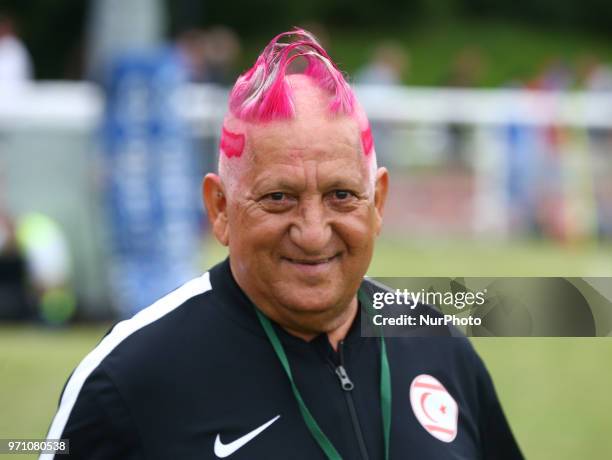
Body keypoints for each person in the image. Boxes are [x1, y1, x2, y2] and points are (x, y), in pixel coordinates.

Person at [42, 29, 523, 459]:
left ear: (377, 202)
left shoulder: (439, 347)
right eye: (278, 198)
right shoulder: (128, 380)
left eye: (341, 195)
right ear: (220, 209)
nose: (313, 232)